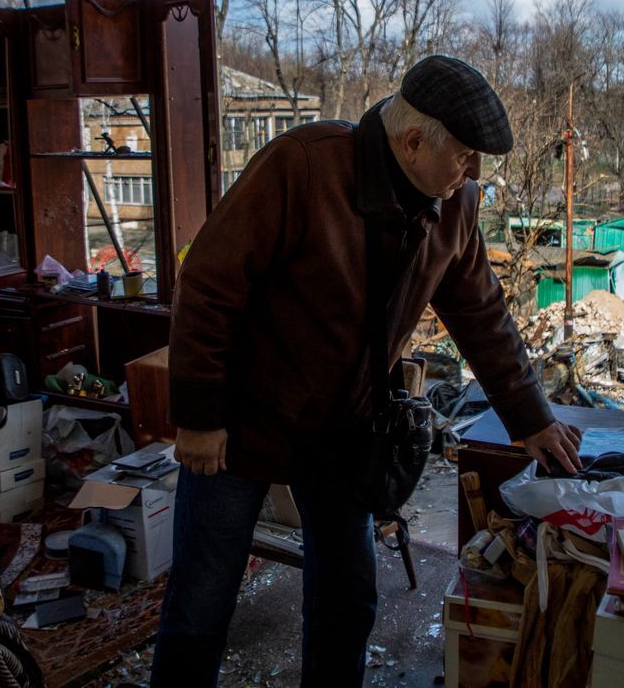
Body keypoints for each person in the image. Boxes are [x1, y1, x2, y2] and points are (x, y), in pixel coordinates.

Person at [150, 55, 583, 687]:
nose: (474, 174)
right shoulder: (303, 165)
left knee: (349, 600)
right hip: (242, 424)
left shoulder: (453, 203)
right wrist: (198, 417)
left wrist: (532, 419)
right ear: (412, 141)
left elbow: (482, 313)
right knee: (201, 606)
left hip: (343, 429)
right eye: (464, 155)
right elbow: (208, 286)